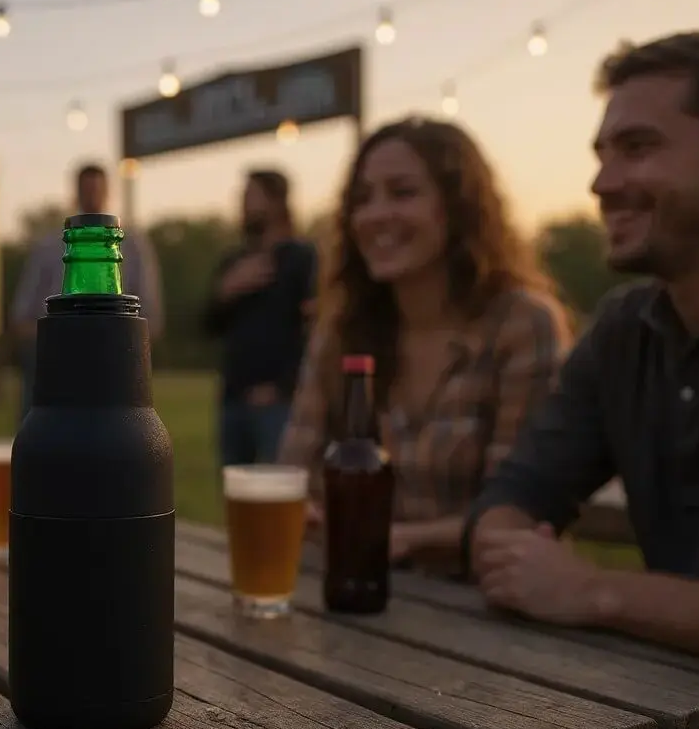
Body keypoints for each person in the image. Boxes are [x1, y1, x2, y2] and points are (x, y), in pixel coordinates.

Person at [466, 31, 699, 729]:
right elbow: (516, 490)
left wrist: (592, 590)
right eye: (602, 153)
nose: (602, 182)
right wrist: (508, 545)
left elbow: (579, 587)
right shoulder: (623, 328)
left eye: (638, 147)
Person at [278, 116, 571, 578]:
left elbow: (516, 509)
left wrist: (396, 538)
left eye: (403, 192)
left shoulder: (521, 324)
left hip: (480, 609)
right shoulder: (341, 331)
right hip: (352, 593)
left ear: (458, 208)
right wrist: (307, 511)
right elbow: (294, 475)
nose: (376, 216)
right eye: (363, 199)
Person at [9, 161, 165, 421]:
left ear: (107, 192)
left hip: (112, 366)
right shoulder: (48, 247)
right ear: (75, 192)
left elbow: (152, 318)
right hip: (55, 367)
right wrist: (63, 338)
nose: (91, 196)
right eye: (86, 189)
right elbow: (20, 317)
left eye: (97, 189)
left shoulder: (134, 247)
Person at [203, 170, 317, 467]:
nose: (242, 204)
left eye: (251, 196)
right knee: (236, 496)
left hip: (279, 405)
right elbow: (207, 326)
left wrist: (282, 386)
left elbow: (314, 329)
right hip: (233, 401)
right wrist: (227, 291)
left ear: (277, 202)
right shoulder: (235, 261)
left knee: (279, 494)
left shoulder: (302, 259)